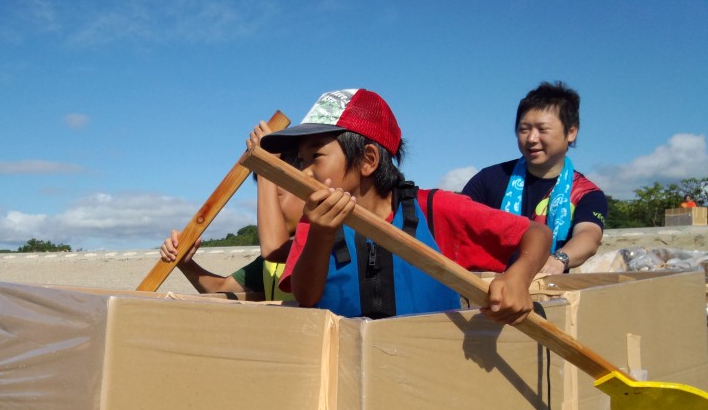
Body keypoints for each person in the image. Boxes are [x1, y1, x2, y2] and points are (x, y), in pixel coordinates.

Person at [259, 88, 551, 325]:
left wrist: (518, 277)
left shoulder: (434, 210)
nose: (304, 172)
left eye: (316, 157)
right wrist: (322, 236)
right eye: (302, 161)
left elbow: (536, 233)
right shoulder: (315, 221)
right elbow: (306, 296)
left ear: (367, 160)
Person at [461, 81, 606, 274]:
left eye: (542, 129)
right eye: (524, 129)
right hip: (486, 288)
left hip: (547, 292)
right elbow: (458, 226)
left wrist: (558, 260)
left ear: (571, 132)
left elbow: (589, 236)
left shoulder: (586, 193)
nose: (531, 138)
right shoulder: (488, 179)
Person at [159, 121, 302, 301]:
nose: (268, 209)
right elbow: (221, 288)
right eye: (265, 198)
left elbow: (274, 247)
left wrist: (265, 165)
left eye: (276, 195)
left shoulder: (321, 244)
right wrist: (184, 263)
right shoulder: (268, 264)